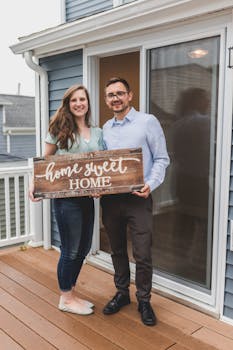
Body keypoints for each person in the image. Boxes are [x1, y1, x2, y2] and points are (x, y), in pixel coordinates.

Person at [29, 84, 103, 315]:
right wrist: (35, 185)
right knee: (70, 249)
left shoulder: (98, 132)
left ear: (88, 103)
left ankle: (71, 292)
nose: (79, 103)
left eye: (83, 99)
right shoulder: (58, 129)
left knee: (83, 248)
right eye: (74, 100)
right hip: (66, 199)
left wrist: (100, 186)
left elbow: (99, 166)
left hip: (87, 198)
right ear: (68, 104)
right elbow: (45, 160)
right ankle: (65, 298)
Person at [101, 77, 169, 326]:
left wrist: (150, 184)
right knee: (117, 250)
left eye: (120, 93)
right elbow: (102, 167)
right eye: (110, 95)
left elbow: (162, 158)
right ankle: (122, 294)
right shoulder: (105, 129)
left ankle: (144, 300)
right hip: (110, 201)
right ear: (106, 99)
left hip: (139, 199)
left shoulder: (147, 122)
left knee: (142, 253)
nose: (115, 98)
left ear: (130, 95)